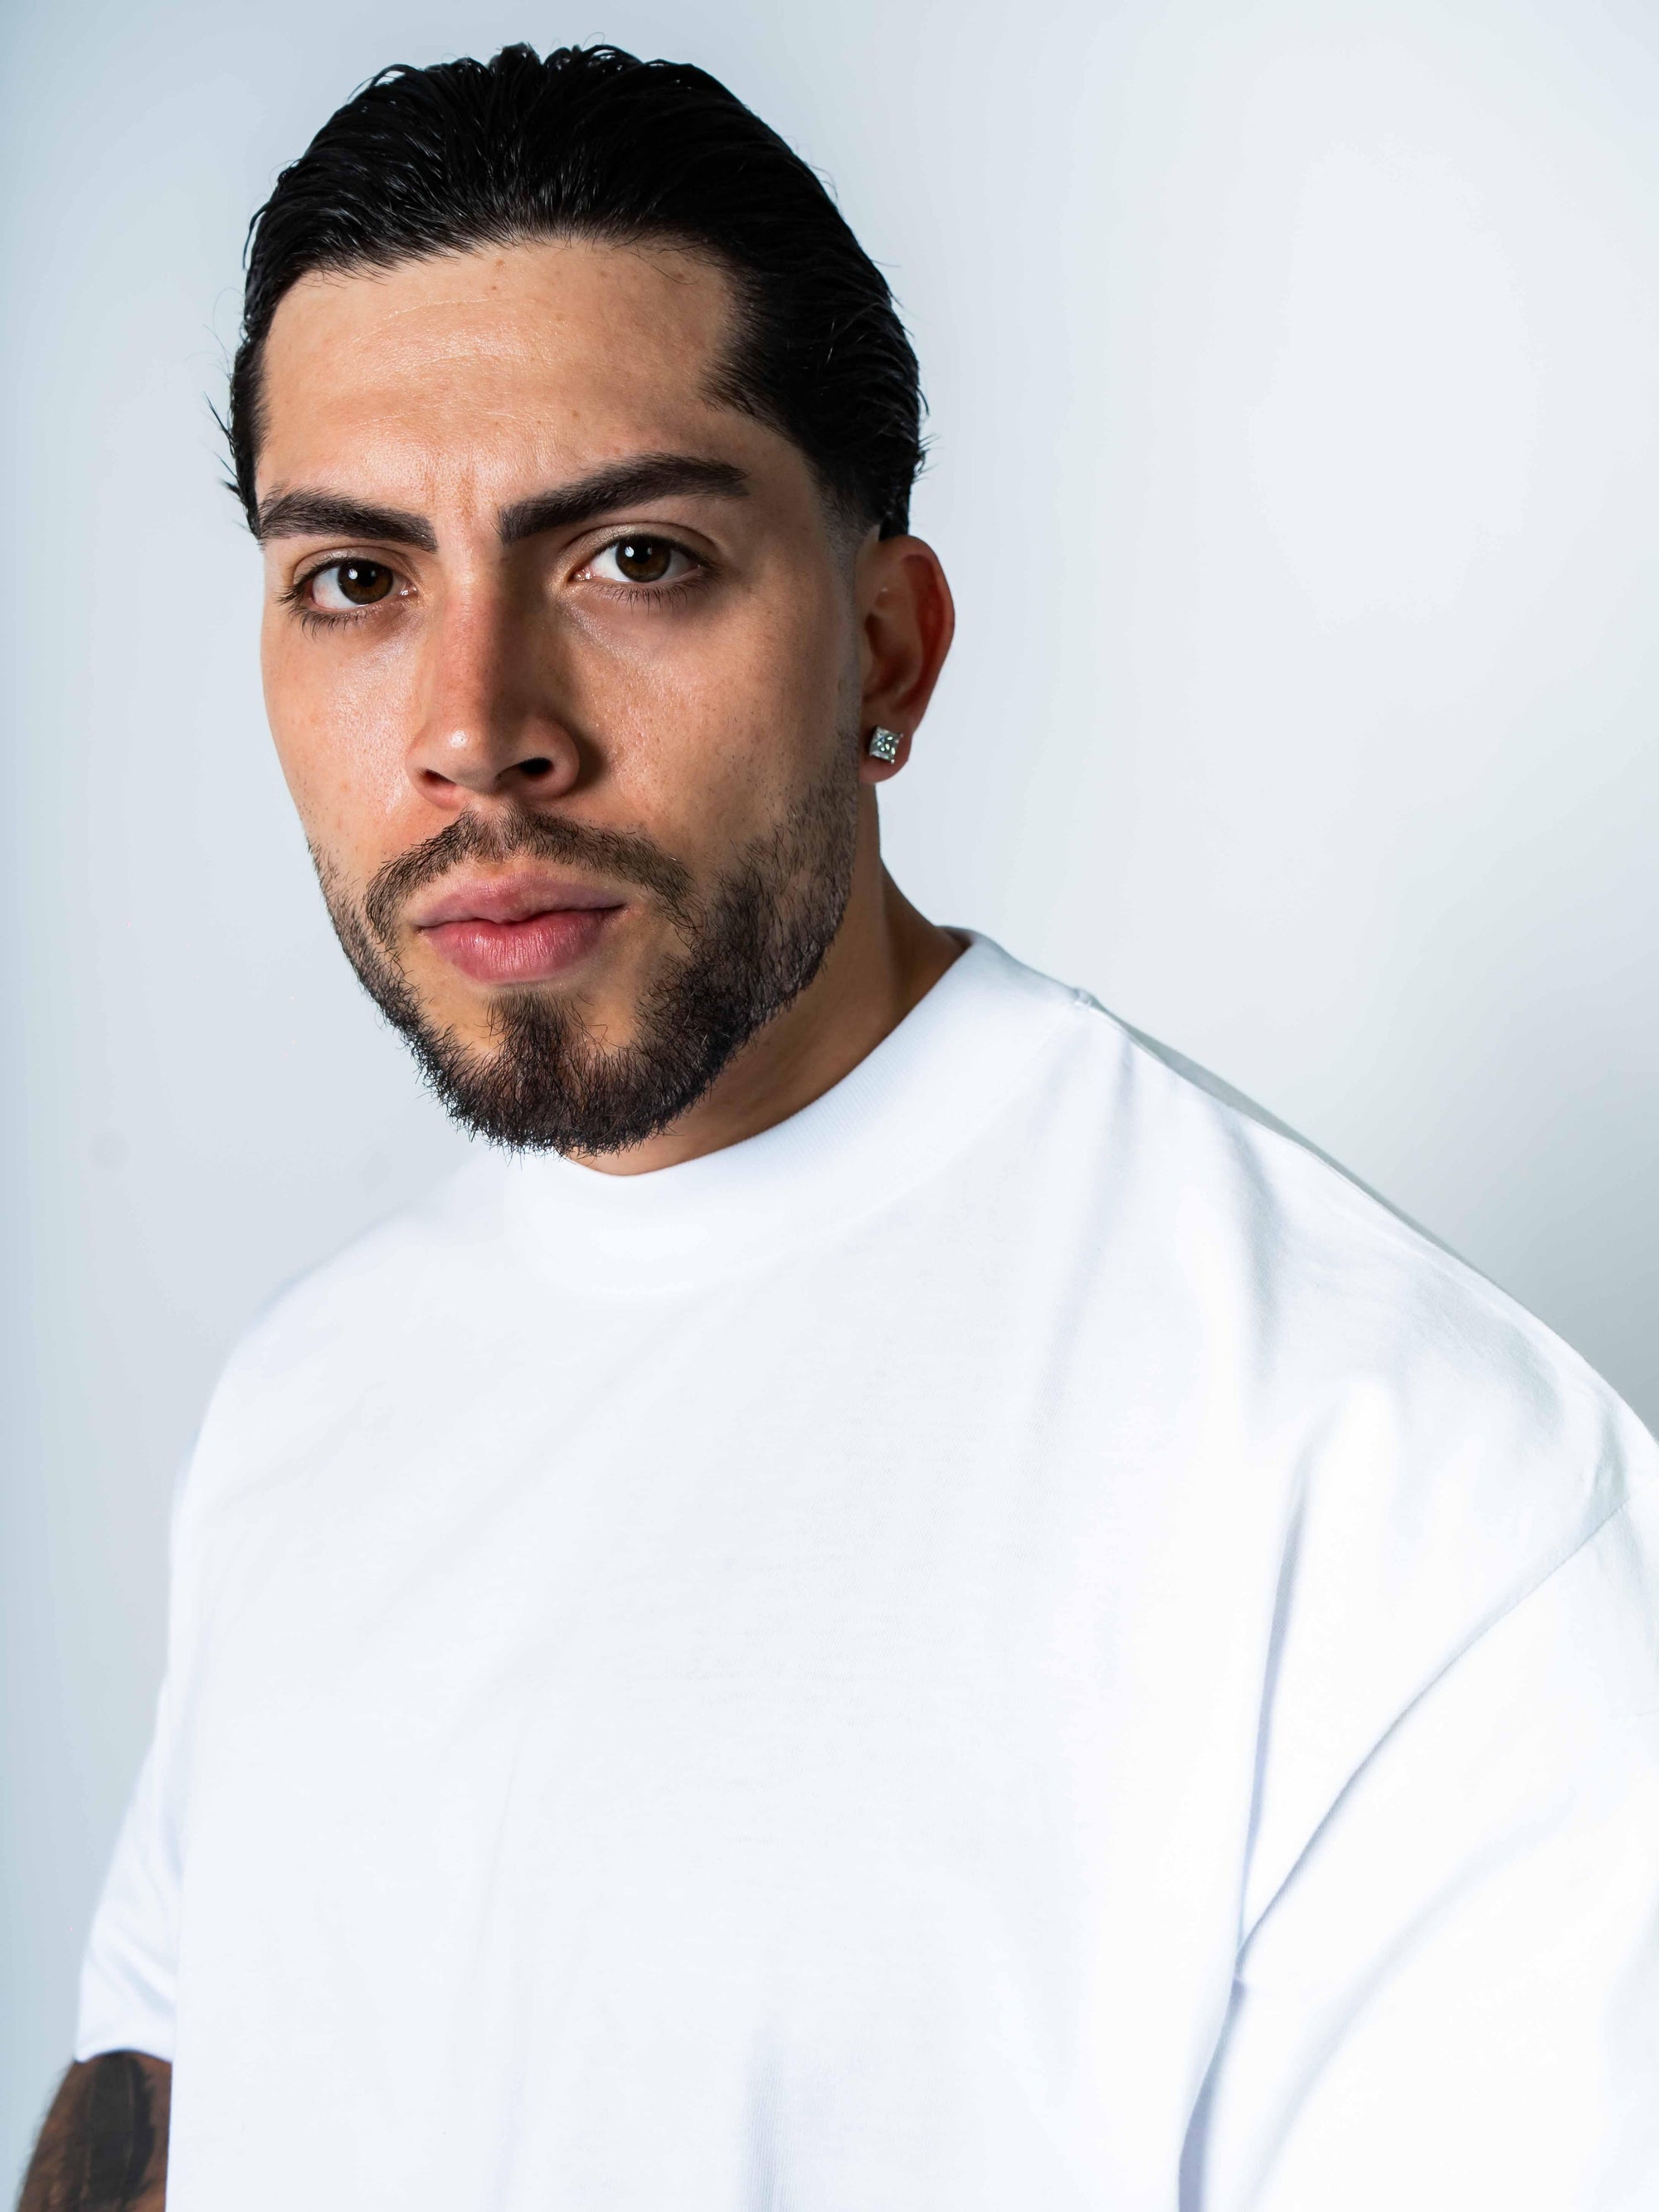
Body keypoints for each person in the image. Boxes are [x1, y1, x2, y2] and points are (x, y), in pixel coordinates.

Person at [21, 41, 1659, 2212]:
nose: (474, 731)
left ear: (889, 647)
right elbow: (154, 2117)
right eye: (355, 579)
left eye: (632, 556)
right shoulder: (301, 1407)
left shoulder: (1408, 1484)